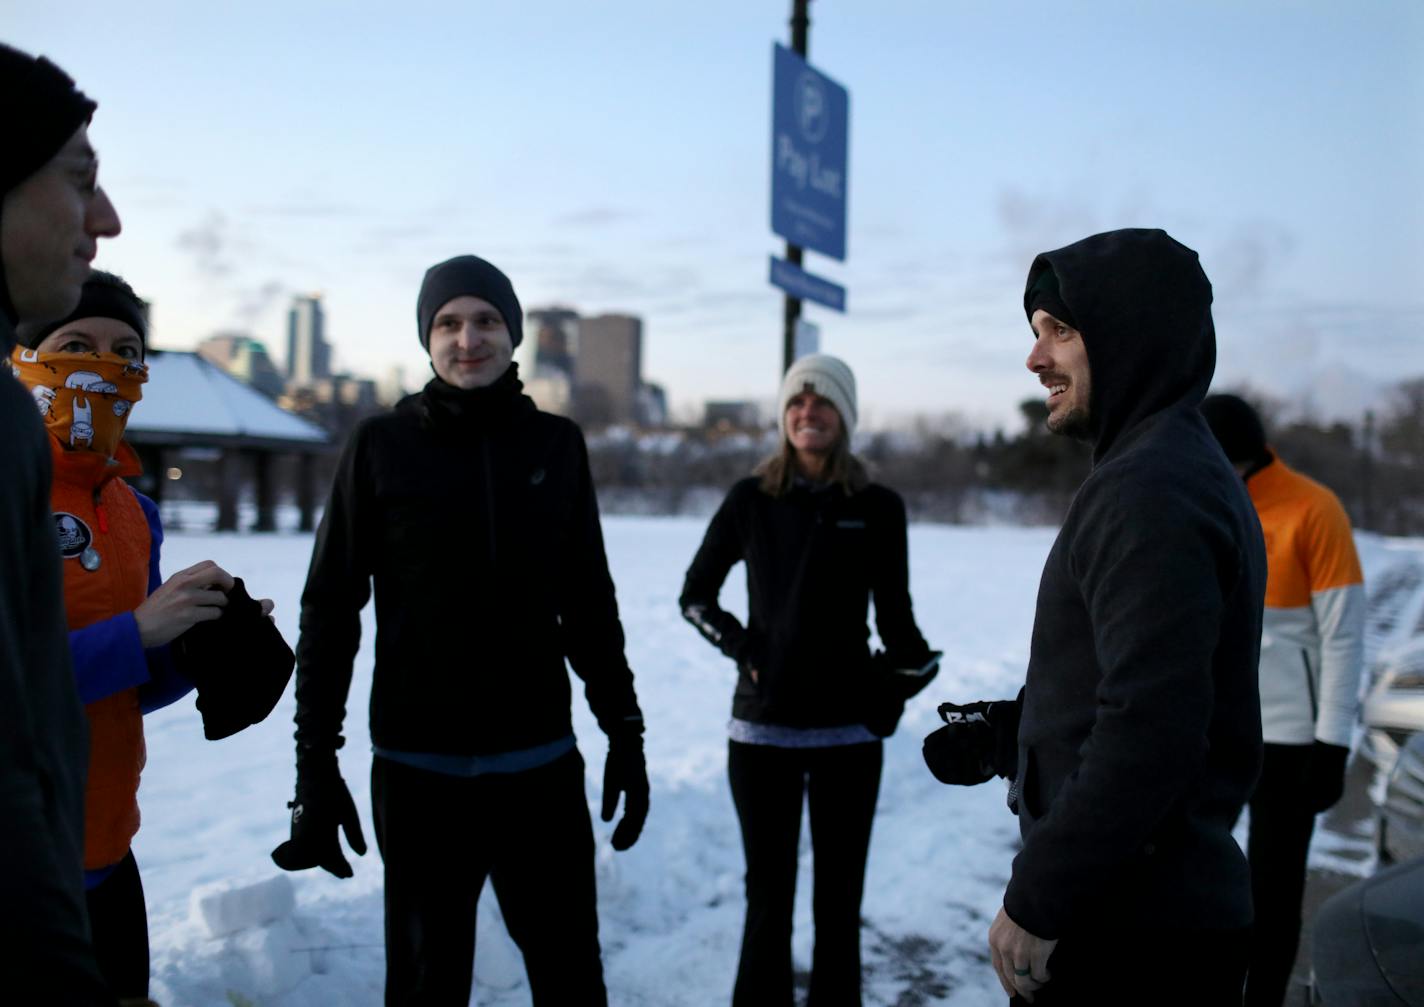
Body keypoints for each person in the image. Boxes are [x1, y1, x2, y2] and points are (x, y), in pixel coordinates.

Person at [273, 253, 650, 1006]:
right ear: (427, 337)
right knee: (423, 986)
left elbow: (589, 603)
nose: (466, 337)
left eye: (485, 320)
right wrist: (315, 759)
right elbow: (330, 608)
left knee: (572, 975)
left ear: (512, 335)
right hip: (419, 773)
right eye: (448, 322)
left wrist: (626, 732)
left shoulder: (556, 445)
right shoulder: (379, 445)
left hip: (538, 765)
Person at [922, 229, 1266, 1005]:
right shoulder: (1170, 467)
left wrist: (1038, 896)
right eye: (1035, 332)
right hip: (1150, 914)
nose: (1035, 358)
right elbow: (1154, 684)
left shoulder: (1150, 488)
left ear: (1131, 334)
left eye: (1061, 331)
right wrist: (1017, 733)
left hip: (1131, 933)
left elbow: (1152, 726)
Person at [12, 270, 278, 1000]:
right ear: (23, 357)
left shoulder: (136, 511)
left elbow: (122, 689)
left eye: (126, 351)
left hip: (108, 847)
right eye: (77, 344)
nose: (106, 368)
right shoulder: (5, 486)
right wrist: (136, 631)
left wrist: (199, 644)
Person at [680, 353, 938, 1007]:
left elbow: (898, 618)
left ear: (844, 415)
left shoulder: (879, 506)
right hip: (761, 731)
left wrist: (907, 675)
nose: (806, 412)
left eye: (822, 401)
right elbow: (695, 596)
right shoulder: (751, 499)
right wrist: (746, 650)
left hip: (848, 736)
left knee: (838, 905)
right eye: (796, 402)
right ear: (783, 416)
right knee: (767, 900)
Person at [0, 40, 122, 1002]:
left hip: (98, 862)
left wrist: (178, 657)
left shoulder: (133, 509)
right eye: (78, 179)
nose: (107, 220)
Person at [1201, 392, 1366, 1007]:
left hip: (1289, 742)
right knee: (1200, 883)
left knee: (1273, 892)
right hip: (1212, 732)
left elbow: (1344, 638)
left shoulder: (1313, 508)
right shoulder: (1203, 502)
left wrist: (1333, 742)